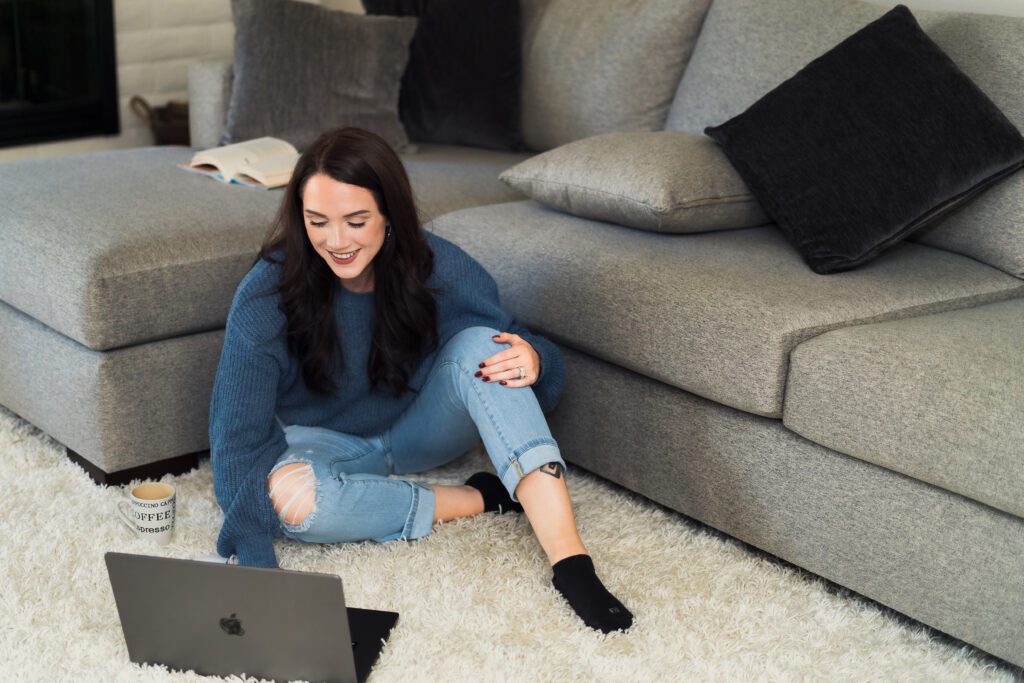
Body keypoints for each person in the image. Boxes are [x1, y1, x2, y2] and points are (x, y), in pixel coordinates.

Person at [208, 127, 633, 634]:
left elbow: (530, 362)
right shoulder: (266, 294)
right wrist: (258, 565)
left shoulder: (435, 264)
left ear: (390, 214)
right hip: (318, 443)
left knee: (486, 346)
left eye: (356, 220)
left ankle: (572, 564)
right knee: (292, 503)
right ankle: (483, 498)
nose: (336, 241)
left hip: (417, 432)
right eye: (317, 221)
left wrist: (536, 360)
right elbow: (236, 442)